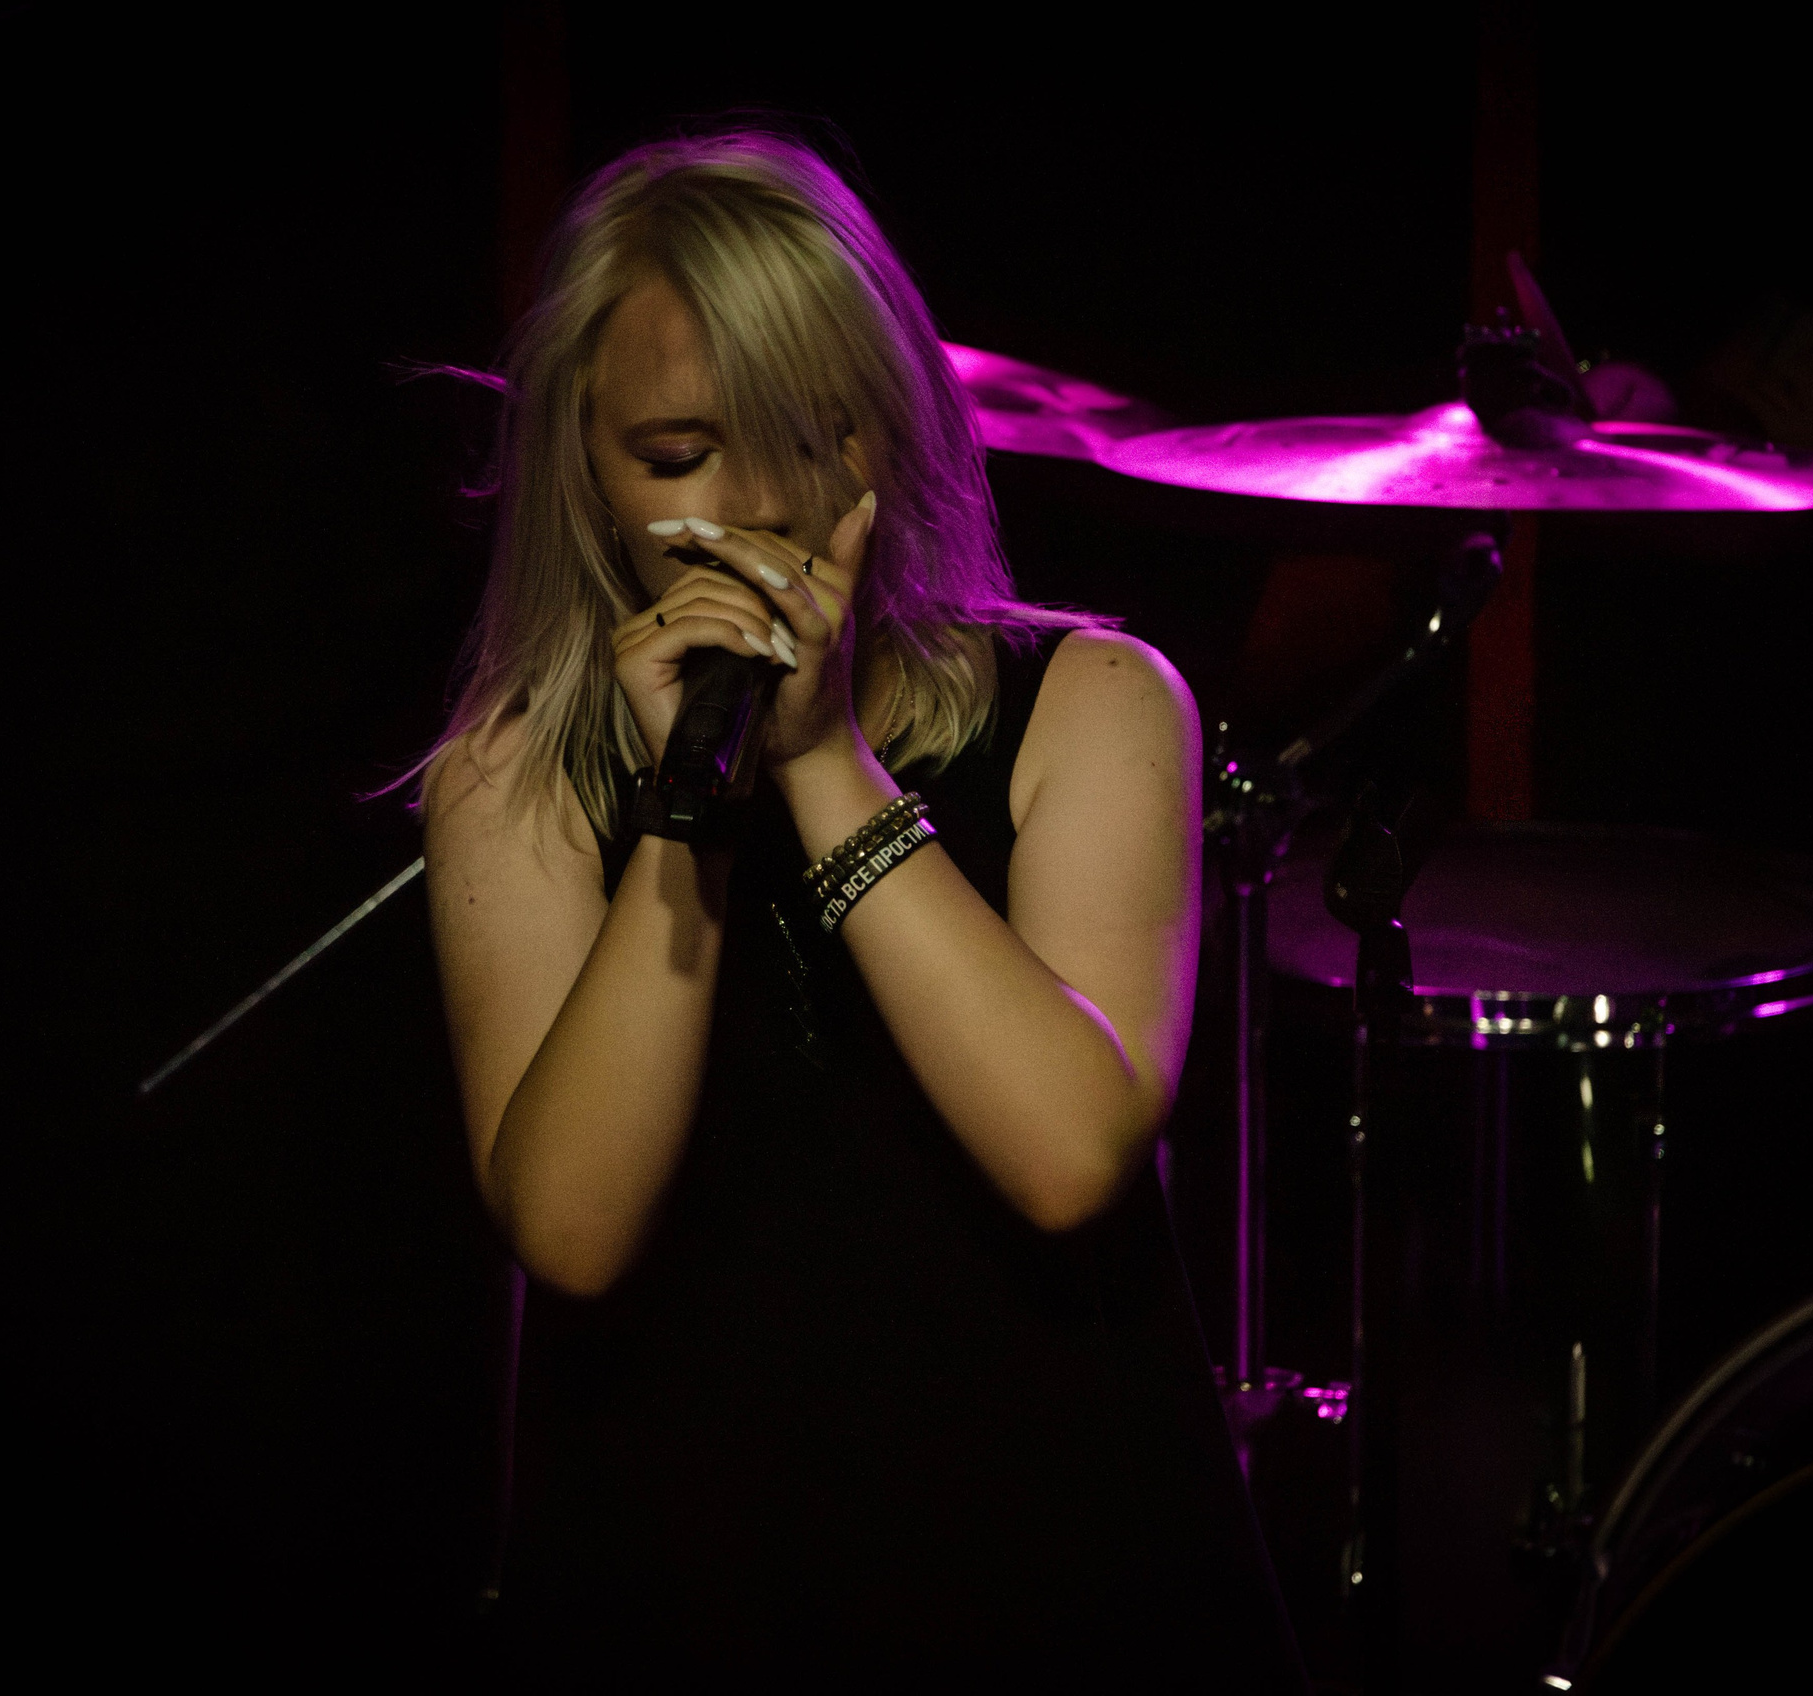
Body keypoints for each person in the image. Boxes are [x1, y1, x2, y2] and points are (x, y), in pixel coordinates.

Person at [421, 127, 1305, 1688]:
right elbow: (571, 1227)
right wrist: (689, 812)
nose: (758, 505)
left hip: (1060, 1576)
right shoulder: (511, 776)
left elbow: (1069, 1153)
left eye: (813, 435)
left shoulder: (1094, 703)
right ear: (582, 468)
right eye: (678, 457)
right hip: (681, 1583)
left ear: (895, 428)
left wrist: (822, 759)